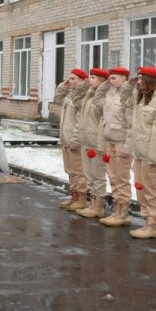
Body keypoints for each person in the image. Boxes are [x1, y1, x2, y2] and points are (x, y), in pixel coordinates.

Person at [125, 67, 156, 239]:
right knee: (140, 188)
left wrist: (155, 156)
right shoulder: (143, 98)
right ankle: (147, 221)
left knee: (151, 190)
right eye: (137, 79)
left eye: (141, 79)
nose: (138, 82)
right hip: (139, 152)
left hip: (150, 155)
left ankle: (153, 224)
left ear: (150, 80)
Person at [95, 67, 135, 228]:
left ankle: (122, 211)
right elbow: (97, 101)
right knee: (112, 176)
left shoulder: (128, 96)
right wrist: (104, 85)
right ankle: (116, 210)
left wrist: (128, 147)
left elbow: (132, 124)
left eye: (114, 78)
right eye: (109, 78)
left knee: (121, 178)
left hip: (121, 143)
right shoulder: (110, 93)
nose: (110, 81)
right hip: (109, 141)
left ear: (124, 78)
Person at [52, 69, 90, 210]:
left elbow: (81, 121)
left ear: (81, 80)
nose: (70, 81)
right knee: (70, 170)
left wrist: (75, 139)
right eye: (70, 79)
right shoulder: (70, 94)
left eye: (73, 79)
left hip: (75, 140)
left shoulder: (82, 96)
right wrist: (63, 86)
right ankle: (73, 196)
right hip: (66, 139)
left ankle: (81, 198)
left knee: (78, 171)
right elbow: (57, 99)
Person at [76, 68, 110, 217]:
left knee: (98, 176)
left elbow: (103, 122)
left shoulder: (104, 99)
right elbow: (74, 98)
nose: (90, 80)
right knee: (89, 175)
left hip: (97, 142)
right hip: (86, 141)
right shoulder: (88, 96)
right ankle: (92, 203)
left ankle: (98, 207)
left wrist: (101, 145)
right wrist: (85, 85)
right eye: (90, 77)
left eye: (93, 78)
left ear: (102, 82)